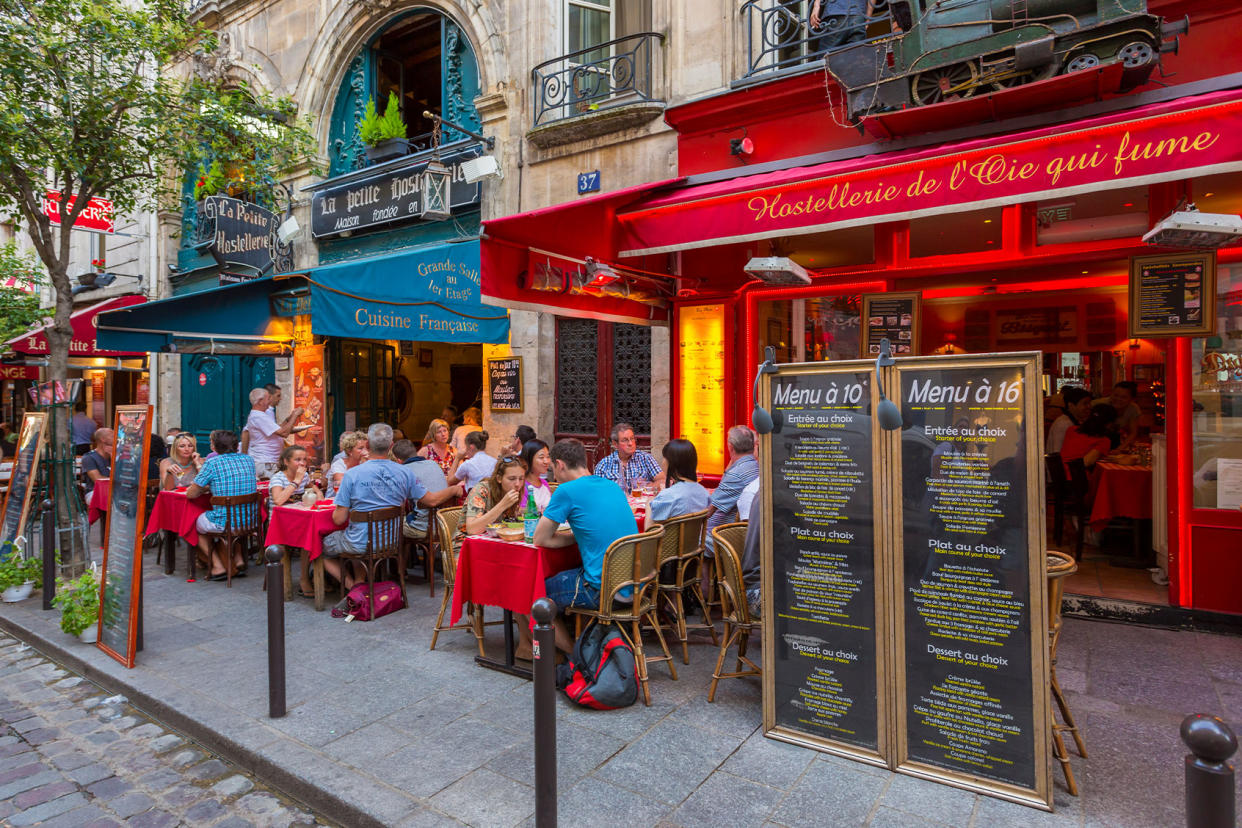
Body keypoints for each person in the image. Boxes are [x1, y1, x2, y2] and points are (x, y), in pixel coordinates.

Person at [323, 424, 461, 589]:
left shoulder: (352, 475)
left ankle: (354, 588)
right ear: (390, 446)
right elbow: (431, 500)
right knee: (354, 539)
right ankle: (360, 584)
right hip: (391, 541)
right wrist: (452, 489)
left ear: (367, 445)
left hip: (359, 542)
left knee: (319, 548)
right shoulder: (405, 472)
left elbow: (338, 519)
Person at [533, 439, 639, 653]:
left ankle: (575, 655)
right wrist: (579, 536)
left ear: (560, 464)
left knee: (531, 592)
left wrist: (573, 537)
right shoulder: (611, 486)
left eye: (553, 467)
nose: (553, 474)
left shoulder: (566, 491)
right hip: (634, 585)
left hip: (601, 589)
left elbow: (540, 539)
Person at [186, 430, 258, 581]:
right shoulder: (248, 460)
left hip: (224, 523)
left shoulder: (213, 462)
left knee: (190, 522)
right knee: (232, 514)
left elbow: (191, 494)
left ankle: (217, 565)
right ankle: (238, 559)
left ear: (214, 446)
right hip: (249, 521)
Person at [705, 426, 760, 552]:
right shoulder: (755, 465)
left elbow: (707, 512)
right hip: (736, 532)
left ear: (730, 447)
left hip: (722, 536)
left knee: (688, 540)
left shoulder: (736, 474)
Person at [391, 439, 455, 542]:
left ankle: (407, 558)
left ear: (398, 461)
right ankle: (415, 557)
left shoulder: (404, 471)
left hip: (423, 528)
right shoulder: (433, 463)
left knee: (393, 525)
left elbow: (397, 500)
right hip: (444, 524)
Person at [244, 387, 304, 479]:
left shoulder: (261, 415)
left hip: (269, 462)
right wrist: (295, 416)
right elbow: (283, 433)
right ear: (260, 401)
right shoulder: (258, 416)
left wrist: (289, 418)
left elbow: (277, 429)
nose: (270, 401)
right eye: (268, 398)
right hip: (266, 462)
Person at [649, 439, 710, 522]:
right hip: (696, 535)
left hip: (667, 535)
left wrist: (648, 505)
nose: (662, 462)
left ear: (671, 463)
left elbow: (651, 531)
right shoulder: (704, 493)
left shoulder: (668, 496)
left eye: (664, 458)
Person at [593, 422, 664, 492]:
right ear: (615, 444)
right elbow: (597, 492)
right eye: (625, 440)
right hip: (616, 502)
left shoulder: (645, 458)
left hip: (642, 501)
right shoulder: (604, 465)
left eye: (632, 439)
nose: (630, 443)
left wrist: (647, 487)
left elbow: (663, 480)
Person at [1061, 405, 1117, 474]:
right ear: (1108, 424)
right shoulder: (1103, 441)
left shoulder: (1072, 430)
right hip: (1077, 478)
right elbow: (1087, 462)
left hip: (1061, 474)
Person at [809, 0, 876, 52]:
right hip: (858, 16)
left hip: (836, 12)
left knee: (824, 59)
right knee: (855, 59)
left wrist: (816, 6)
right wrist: (868, 18)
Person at [1093, 381, 1140, 449]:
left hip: (1113, 441)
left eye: (1123, 397)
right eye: (1115, 395)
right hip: (1094, 442)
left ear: (1132, 399)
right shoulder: (1098, 404)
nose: (1118, 399)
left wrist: (1120, 448)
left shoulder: (1133, 409)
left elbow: (1133, 433)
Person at [1048, 387, 1092, 455]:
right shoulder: (1063, 424)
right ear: (1071, 405)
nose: (1089, 407)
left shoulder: (1079, 421)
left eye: (1089, 403)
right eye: (1085, 403)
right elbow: (1056, 453)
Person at [520, 439, 552, 515]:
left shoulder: (544, 483)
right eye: (541, 457)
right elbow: (521, 512)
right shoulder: (521, 485)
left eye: (548, 457)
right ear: (529, 459)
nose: (546, 461)